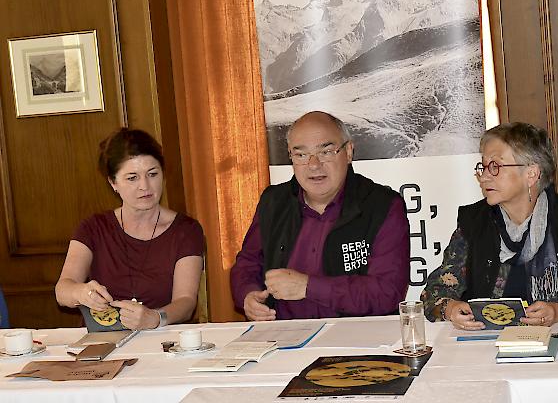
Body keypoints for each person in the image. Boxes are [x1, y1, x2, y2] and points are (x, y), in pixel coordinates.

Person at [421, 122, 558, 329]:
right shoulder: (474, 222)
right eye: (483, 166)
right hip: (484, 345)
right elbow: (439, 287)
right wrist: (450, 309)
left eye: (495, 166)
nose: (484, 176)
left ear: (531, 174)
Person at [230, 111, 410, 321]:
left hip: (356, 339)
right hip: (283, 337)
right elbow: (248, 263)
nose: (314, 165)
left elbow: (387, 292)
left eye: (326, 152)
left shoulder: (382, 205)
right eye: (301, 155)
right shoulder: (274, 202)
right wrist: (248, 295)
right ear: (291, 157)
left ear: (349, 152)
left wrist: (308, 287)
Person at [55, 128, 204, 330]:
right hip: (102, 341)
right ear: (113, 183)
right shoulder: (93, 227)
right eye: (132, 178)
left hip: (161, 340)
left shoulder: (186, 230)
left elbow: (186, 301)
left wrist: (156, 318)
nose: (145, 186)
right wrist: (82, 293)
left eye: (152, 174)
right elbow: (63, 290)